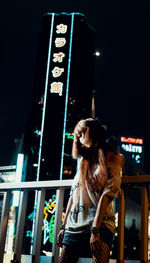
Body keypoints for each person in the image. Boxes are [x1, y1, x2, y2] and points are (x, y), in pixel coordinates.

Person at [57, 118, 124, 263]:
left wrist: (95, 229)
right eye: (77, 134)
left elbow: (108, 195)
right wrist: (63, 225)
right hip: (73, 226)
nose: (79, 136)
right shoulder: (82, 163)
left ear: (93, 131)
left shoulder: (114, 158)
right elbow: (74, 195)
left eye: (82, 132)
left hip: (100, 225)